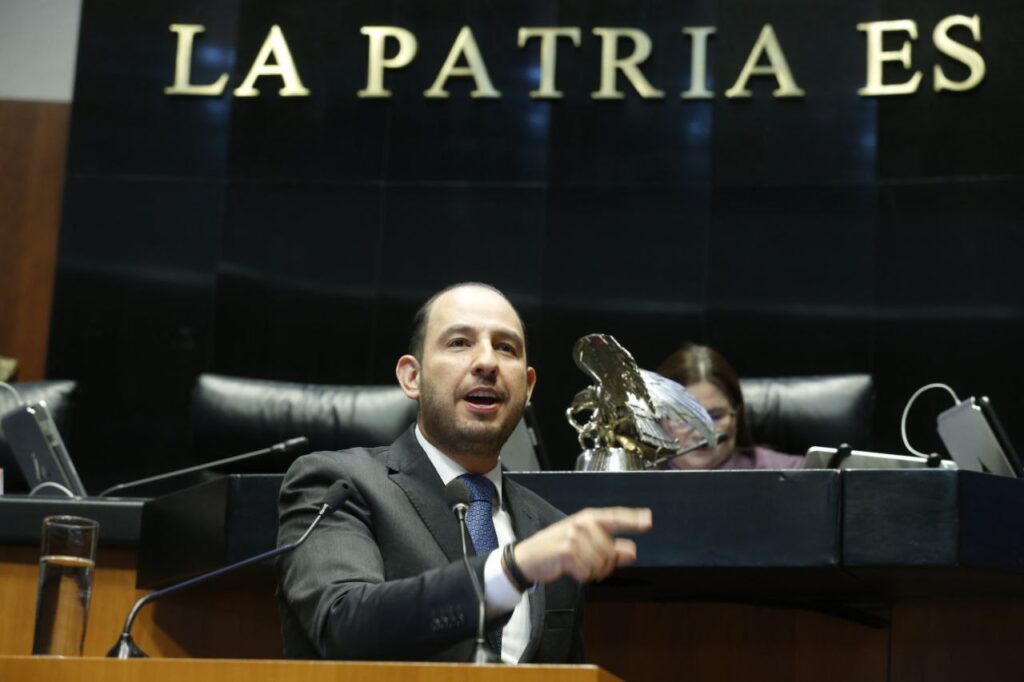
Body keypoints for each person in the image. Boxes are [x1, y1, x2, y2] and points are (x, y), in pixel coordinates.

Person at [276, 282, 652, 663]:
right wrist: (512, 569)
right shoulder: (337, 484)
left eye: (506, 348)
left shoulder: (550, 531)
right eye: (459, 343)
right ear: (412, 377)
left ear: (528, 388)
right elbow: (344, 626)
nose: (487, 362)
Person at [656, 343, 802, 471]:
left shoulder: (795, 472)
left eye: (715, 417)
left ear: (736, 417)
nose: (700, 434)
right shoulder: (642, 477)